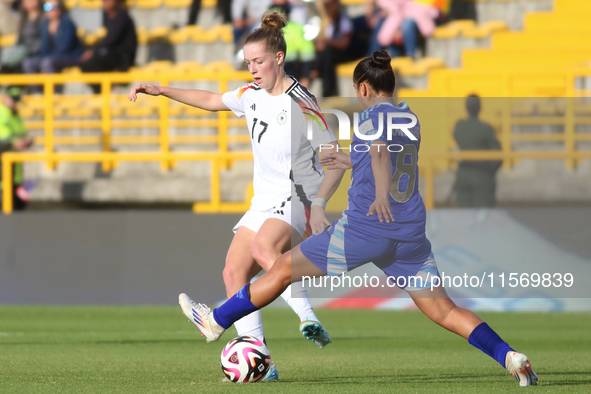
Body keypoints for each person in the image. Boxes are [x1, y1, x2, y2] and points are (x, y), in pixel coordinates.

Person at [180, 50, 539, 387]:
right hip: (409, 234)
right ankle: (509, 356)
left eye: (356, 90)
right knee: (444, 309)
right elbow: (389, 155)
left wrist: (379, 192)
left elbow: (381, 154)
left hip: (367, 227)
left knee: (282, 269)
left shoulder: (368, 117)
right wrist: (354, 162)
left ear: (363, 87)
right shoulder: (408, 115)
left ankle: (216, 321)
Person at [129, 11, 344, 381]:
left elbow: (336, 160)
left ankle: (307, 316)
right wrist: (162, 90)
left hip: (297, 197)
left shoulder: (302, 103)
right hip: (263, 199)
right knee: (233, 272)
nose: (253, 69)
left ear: (278, 58)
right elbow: (212, 99)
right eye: (248, 63)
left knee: (264, 250)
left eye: (259, 62)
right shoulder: (250, 95)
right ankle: (262, 362)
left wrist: (321, 203)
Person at [22, 0, 83, 94]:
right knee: (28, 63)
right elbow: (43, 48)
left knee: (47, 62)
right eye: (48, 7)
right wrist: (43, 60)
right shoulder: (45, 25)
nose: (51, 10)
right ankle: (37, 93)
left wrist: (44, 61)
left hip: (69, 56)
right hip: (51, 57)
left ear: (60, 8)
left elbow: (64, 48)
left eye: (55, 7)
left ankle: (55, 92)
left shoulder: (67, 23)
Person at [453, 94, 502, 208]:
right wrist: (491, 172)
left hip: (463, 175)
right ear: (480, 107)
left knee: (464, 217)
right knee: (483, 217)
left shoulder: (459, 127)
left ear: (466, 107)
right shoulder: (485, 128)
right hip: (483, 176)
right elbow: (498, 155)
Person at [79, 0, 137, 94]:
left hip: (122, 57)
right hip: (113, 53)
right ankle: (103, 90)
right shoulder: (108, 15)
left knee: (90, 61)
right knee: (86, 63)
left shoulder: (121, 16)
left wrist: (93, 51)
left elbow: (112, 39)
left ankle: (107, 90)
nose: (104, 3)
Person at [0, 87, 33, 210]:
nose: (15, 103)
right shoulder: (1, 113)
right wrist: (20, 142)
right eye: (13, 99)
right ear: (6, 97)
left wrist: (27, 142)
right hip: (2, 171)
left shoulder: (16, 115)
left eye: (17, 100)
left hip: (15, 171)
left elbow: (24, 136)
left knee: (18, 205)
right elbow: (6, 141)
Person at [313, 0, 352, 97]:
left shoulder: (344, 22)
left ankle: (317, 72)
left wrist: (328, 41)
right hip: (328, 54)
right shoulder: (327, 23)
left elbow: (344, 45)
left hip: (342, 54)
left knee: (328, 55)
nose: (327, 8)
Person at [0, 0, 44, 74]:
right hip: (24, 50)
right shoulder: (24, 17)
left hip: (36, 50)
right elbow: (20, 38)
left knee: (21, 58)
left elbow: (53, 5)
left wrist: (44, 6)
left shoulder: (44, 15)